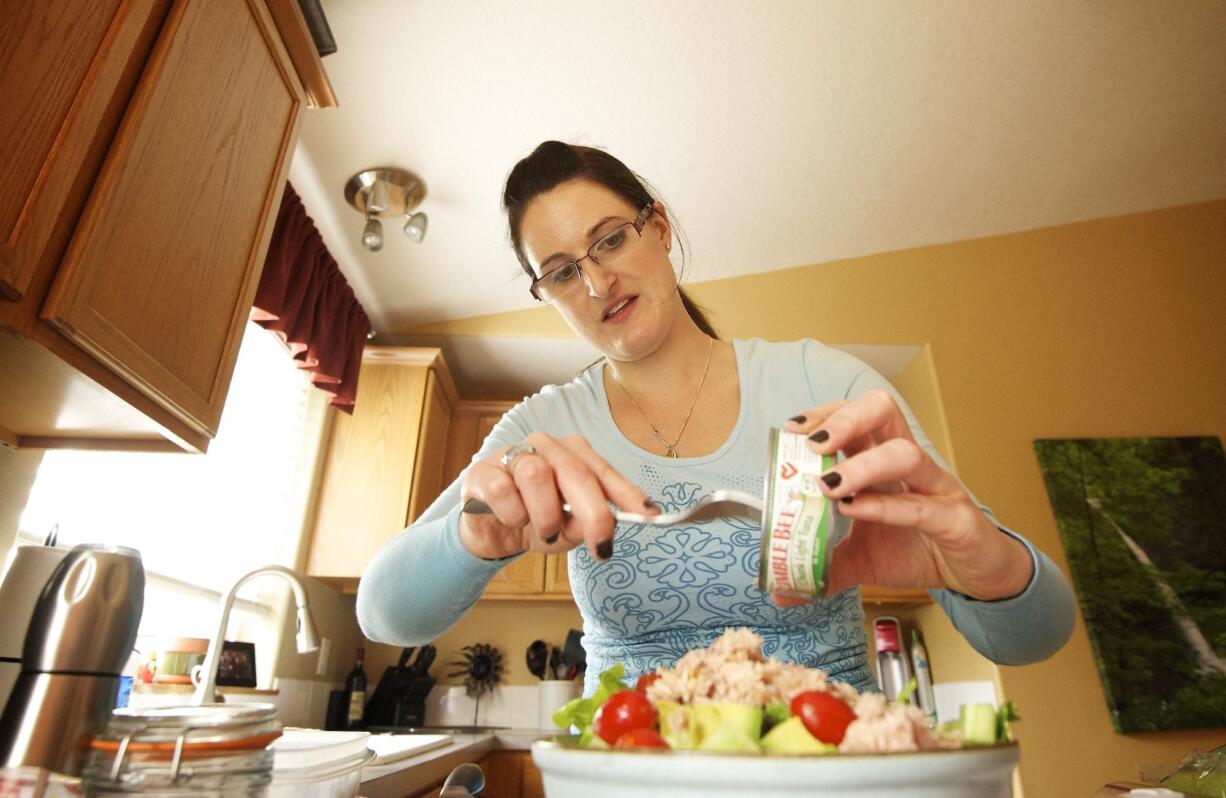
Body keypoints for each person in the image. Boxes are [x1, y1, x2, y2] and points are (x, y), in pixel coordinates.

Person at [356, 141, 1075, 695]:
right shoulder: (540, 431)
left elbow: (1035, 635)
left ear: (658, 230)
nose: (598, 281)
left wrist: (978, 561)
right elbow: (386, 615)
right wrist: (475, 532)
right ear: (547, 294)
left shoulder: (820, 381)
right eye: (563, 271)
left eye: (610, 240)